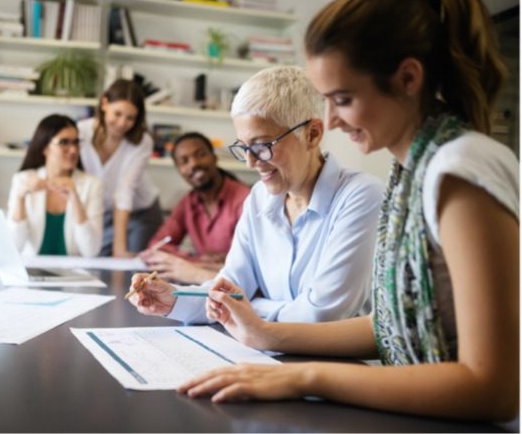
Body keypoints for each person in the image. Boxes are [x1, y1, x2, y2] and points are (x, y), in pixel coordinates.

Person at [177, 0, 520, 423]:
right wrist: (266, 333)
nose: (331, 121)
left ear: (407, 79)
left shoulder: (460, 169)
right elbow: (390, 327)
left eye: (341, 98)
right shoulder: (411, 172)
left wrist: (306, 379)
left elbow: (497, 389)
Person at [127, 66, 385, 324]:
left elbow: (322, 314)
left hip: (338, 362)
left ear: (312, 134)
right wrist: (173, 299)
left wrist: (250, 307)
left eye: (262, 146)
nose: (250, 163)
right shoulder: (259, 198)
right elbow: (230, 287)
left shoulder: (362, 197)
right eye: (244, 147)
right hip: (274, 354)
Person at [140, 132, 251, 284]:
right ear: (179, 170)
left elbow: (245, 264)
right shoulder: (188, 202)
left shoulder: (245, 199)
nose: (193, 164)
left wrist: (187, 266)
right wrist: (197, 260)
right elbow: (157, 246)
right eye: (184, 161)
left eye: (201, 154)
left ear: (214, 157)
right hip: (205, 285)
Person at [77, 79, 163, 257]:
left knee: (130, 266)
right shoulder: (80, 133)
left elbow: (125, 192)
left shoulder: (142, 142)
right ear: (104, 103)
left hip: (142, 212)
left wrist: (120, 250)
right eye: (117, 114)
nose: (122, 123)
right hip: (105, 212)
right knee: (96, 257)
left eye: (130, 117)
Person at [6, 114, 104, 257]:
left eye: (76, 142)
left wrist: (75, 199)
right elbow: (14, 247)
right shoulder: (22, 180)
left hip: (75, 275)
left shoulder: (92, 185)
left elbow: (91, 251)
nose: (73, 150)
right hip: (31, 273)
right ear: (45, 147)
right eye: (64, 142)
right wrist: (20, 197)